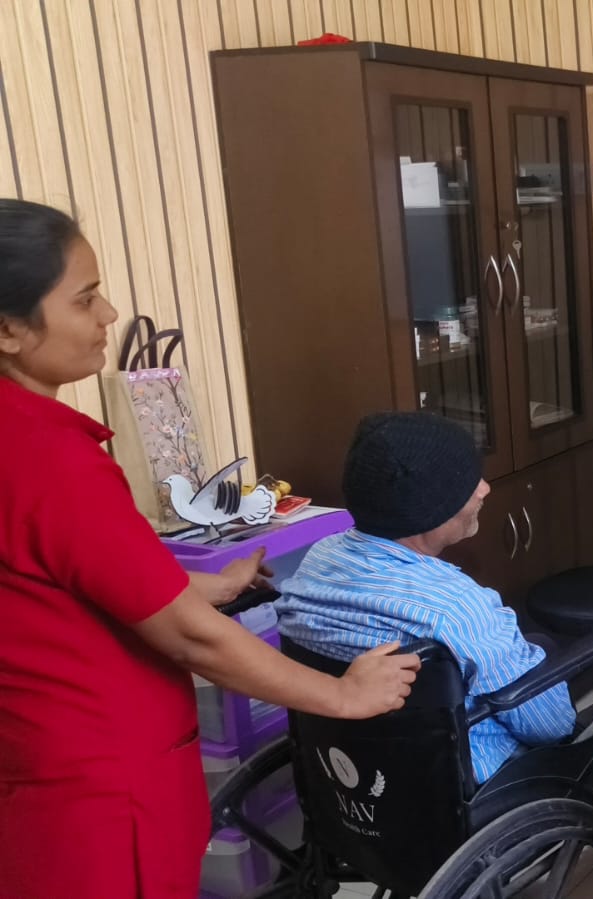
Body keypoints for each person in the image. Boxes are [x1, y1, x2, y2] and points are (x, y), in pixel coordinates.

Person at [0, 199, 420, 899]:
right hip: (102, 793)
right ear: (9, 328)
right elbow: (193, 639)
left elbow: (67, 586)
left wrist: (208, 586)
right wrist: (342, 696)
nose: (108, 315)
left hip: (36, 776)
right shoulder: (51, 461)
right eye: (84, 298)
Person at [275, 412, 578, 784]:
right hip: (476, 788)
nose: (484, 489)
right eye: (468, 483)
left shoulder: (317, 559)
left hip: (356, 783)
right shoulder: (457, 608)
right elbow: (552, 727)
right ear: (430, 511)